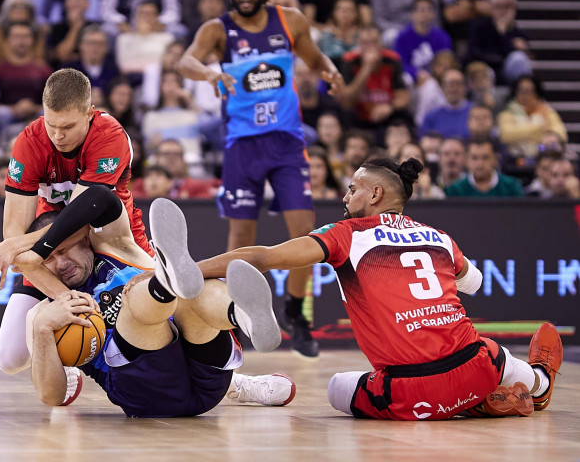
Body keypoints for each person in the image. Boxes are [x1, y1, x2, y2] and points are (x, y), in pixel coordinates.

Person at [188, 157, 563, 420]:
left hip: (410, 394)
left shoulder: (346, 234)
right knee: (491, 351)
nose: (345, 198)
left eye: (352, 190)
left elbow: (266, 257)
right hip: (476, 369)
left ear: (375, 195)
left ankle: (475, 406)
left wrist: (193, 269)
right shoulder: (439, 237)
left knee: (338, 388)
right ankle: (537, 383)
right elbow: (474, 283)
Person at [0, 191, 294, 414]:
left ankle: (240, 315)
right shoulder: (45, 311)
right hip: (144, 391)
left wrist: (37, 249)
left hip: (208, 381)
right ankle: (163, 283)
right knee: (138, 301)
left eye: (64, 249)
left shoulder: (118, 247)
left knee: (195, 292)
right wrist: (42, 330)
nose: (58, 262)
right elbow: (51, 397)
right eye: (49, 260)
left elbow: (103, 197)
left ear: (85, 238)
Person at [178, 0, 346, 357]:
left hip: (286, 141)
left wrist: (329, 71)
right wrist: (209, 75)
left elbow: (316, 57)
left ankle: (296, 311)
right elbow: (184, 61)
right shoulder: (218, 29)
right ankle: (239, 315)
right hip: (242, 144)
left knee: (305, 232)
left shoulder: (289, 21)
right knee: (240, 238)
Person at [0, 68, 154, 377]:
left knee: (163, 317)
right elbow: (14, 230)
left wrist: (12, 248)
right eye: (51, 124)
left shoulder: (110, 136)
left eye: (68, 127)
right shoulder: (30, 141)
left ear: (90, 114)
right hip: (48, 245)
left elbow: (80, 221)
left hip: (110, 235)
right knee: (9, 357)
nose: (57, 135)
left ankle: (236, 380)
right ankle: (68, 362)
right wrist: (60, 295)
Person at [394, 0, 451, 81]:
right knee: (405, 78)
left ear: (433, 14)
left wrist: (433, 74)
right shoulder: (402, 37)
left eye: (429, 10)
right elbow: (400, 63)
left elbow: (446, 60)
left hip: (436, 77)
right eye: (421, 10)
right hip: (412, 78)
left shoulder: (442, 36)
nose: (425, 14)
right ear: (413, 14)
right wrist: (416, 73)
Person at [445, 137, 523, 198]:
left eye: (485, 157)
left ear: (495, 159)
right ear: (466, 160)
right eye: (474, 158)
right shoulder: (455, 190)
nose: (480, 164)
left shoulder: (512, 187)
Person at [419, 68, 471, 140]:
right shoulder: (431, 116)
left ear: (465, 87)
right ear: (442, 88)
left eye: (458, 84)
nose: (454, 89)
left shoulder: (475, 112)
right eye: (450, 84)